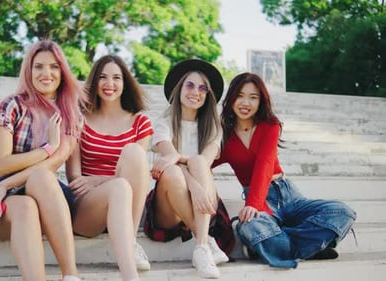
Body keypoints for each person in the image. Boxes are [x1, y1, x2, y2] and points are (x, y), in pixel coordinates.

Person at [0, 39, 86, 281]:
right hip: (2, 196)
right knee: (26, 205)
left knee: (42, 176)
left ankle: (70, 275)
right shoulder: (12, 105)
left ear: (63, 72)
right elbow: (1, 164)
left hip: (43, 192)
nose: (46, 73)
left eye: (54, 67)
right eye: (38, 67)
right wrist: (47, 148)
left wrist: (7, 183)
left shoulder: (71, 114)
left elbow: (51, 165)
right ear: (29, 70)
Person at [212, 72, 357, 268]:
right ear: (231, 98)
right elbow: (203, 162)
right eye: (240, 95)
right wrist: (175, 161)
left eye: (253, 97)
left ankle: (272, 244)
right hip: (261, 202)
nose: (245, 102)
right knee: (250, 226)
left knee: (343, 212)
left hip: (288, 195)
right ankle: (310, 247)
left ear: (261, 101)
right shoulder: (224, 138)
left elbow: (265, 164)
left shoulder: (269, 126)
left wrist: (253, 204)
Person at [65, 55, 153, 281]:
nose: (109, 84)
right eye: (103, 77)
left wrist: (98, 179)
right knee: (120, 187)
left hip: (126, 209)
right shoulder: (79, 117)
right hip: (89, 207)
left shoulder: (140, 123)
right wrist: (103, 183)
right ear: (94, 81)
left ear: (125, 84)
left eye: (116, 78)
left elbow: (140, 173)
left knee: (134, 154)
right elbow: (74, 176)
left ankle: (130, 242)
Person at [142, 59, 230, 279]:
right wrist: (195, 187)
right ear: (180, 88)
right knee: (172, 172)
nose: (195, 92)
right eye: (190, 85)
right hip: (170, 205)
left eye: (202, 88)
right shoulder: (164, 123)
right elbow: (170, 167)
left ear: (207, 95)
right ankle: (207, 240)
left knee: (198, 162)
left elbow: (204, 162)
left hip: (204, 202)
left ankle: (200, 248)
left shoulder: (213, 128)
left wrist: (177, 156)